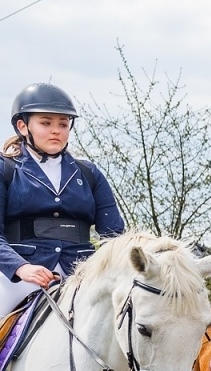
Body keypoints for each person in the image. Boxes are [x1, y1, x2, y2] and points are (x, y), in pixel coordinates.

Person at [0, 83, 125, 316]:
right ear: (22, 126)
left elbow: (115, 237)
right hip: (19, 278)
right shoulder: (5, 169)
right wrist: (21, 267)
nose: (56, 130)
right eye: (46, 123)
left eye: (63, 124)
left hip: (83, 275)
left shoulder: (89, 173)